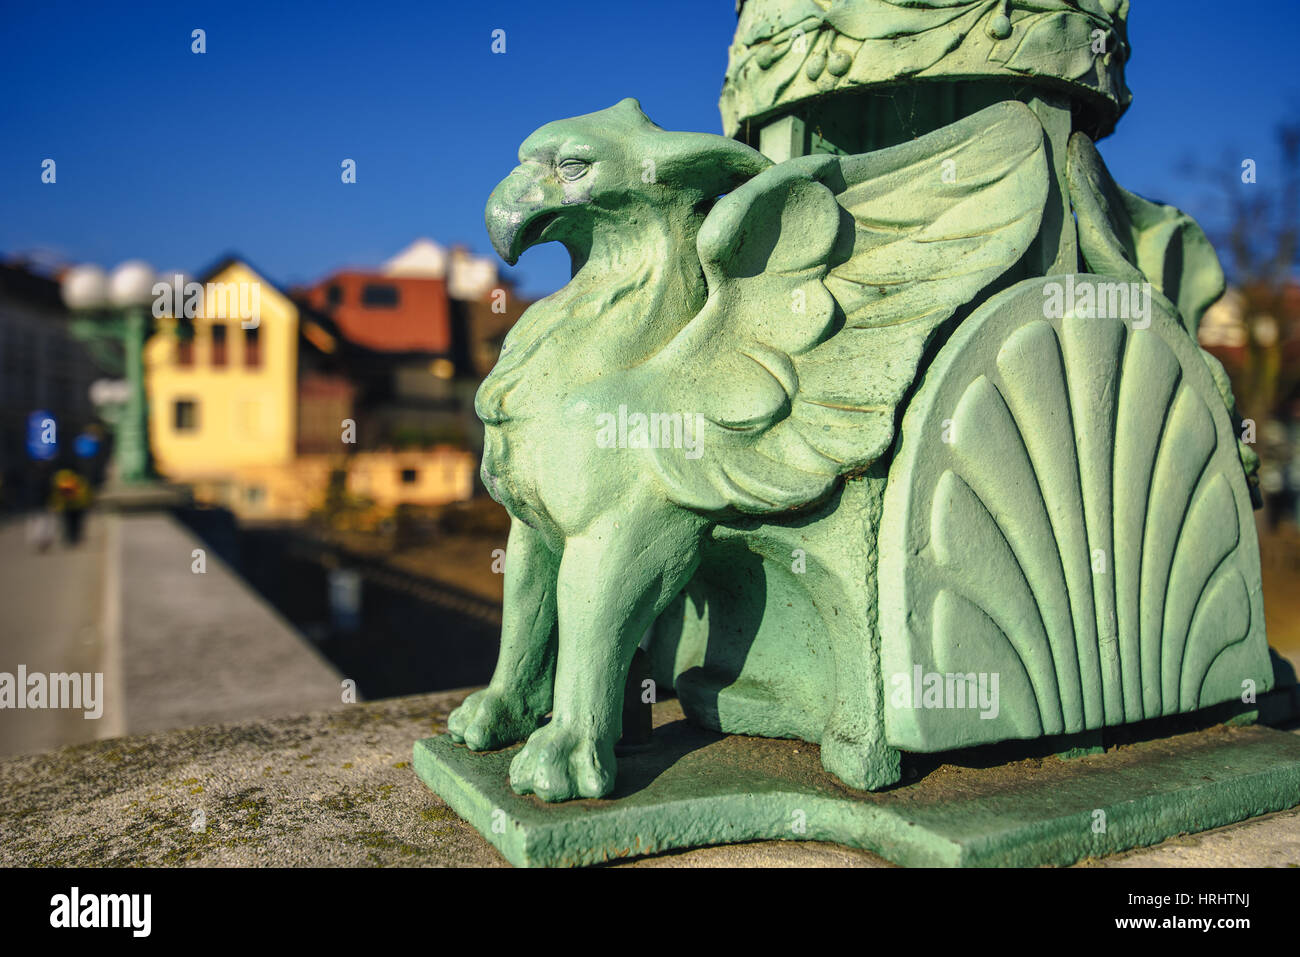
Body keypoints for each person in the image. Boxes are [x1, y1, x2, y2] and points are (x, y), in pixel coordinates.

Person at [48, 468, 91, 546]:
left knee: (67, 522)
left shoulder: (59, 478)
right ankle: (73, 537)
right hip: (77, 505)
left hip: (68, 505)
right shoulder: (78, 479)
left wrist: (54, 504)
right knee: (74, 522)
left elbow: (55, 494)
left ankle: (70, 537)